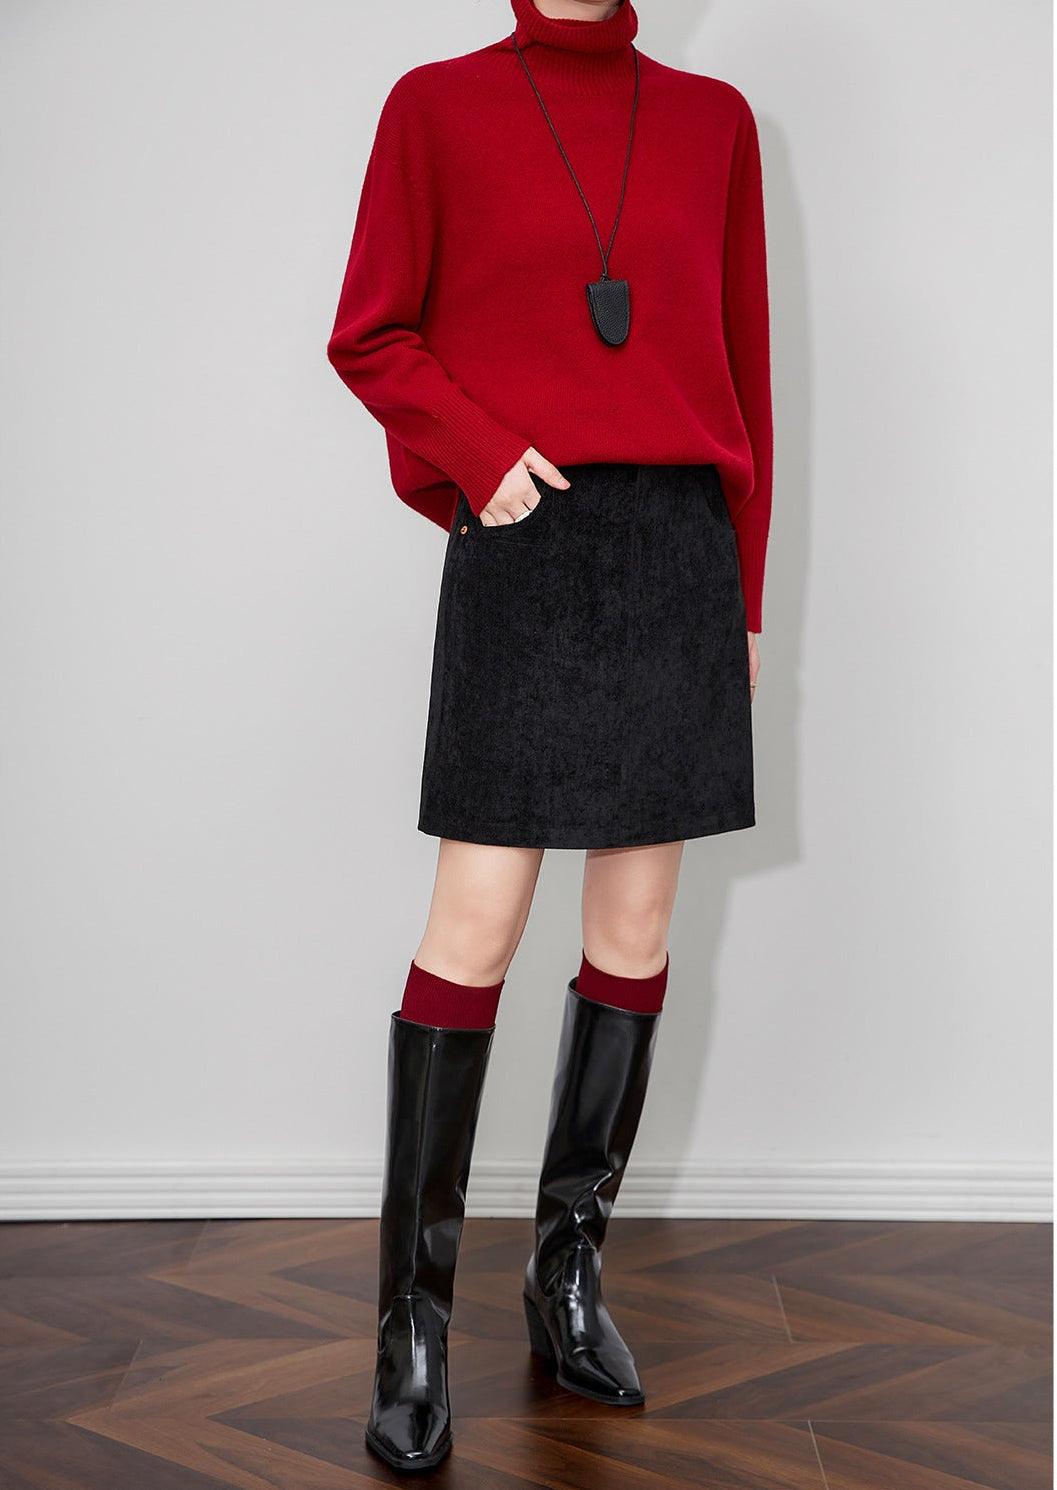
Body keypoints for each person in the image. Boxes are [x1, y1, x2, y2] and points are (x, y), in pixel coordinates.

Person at [326, 0, 772, 1470]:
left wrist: (740, 598)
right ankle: (411, 1324)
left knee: (635, 927)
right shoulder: (434, 106)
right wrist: (478, 455)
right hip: (526, 542)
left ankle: (565, 1276)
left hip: (676, 552)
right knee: (474, 923)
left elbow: (746, 378)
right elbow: (370, 332)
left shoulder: (713, 125)